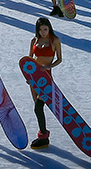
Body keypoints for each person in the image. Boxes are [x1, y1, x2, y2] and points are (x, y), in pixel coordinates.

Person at [28, 17, 63, 148]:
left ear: (49, 28)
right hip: (34, 78)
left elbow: (59, 59)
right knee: (38, 109)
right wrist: (28, 75)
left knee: (38, 105)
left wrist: (49, 67)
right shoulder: (34, 41)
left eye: (45, 29)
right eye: (40, 29)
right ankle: (43, 136)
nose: (43, 32)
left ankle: (43, 134)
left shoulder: (55, 40)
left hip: (46, 78)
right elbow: (29, 59)